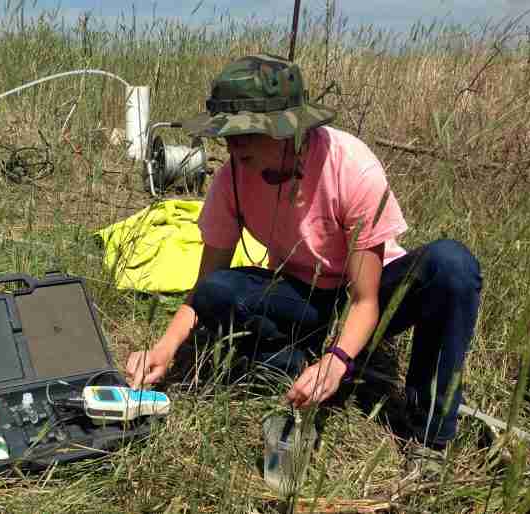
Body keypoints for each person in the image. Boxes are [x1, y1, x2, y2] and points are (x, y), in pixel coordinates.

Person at [125, 54, 482, 453]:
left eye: (246, 133)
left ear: (288, 130)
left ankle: (427, 433)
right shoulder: (233, 178)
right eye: (226, 133)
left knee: (452, 266)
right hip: (300, 294)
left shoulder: (350, 167)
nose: (231, 145)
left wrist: (336, 359)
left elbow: (364, 301)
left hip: (370, 292)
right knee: (218, 292)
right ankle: (310, 367)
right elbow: (202, 288)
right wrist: (164, 348)